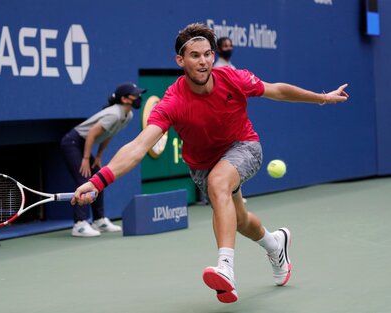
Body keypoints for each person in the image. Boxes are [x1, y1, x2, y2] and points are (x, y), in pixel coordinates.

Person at [72, 23, 349, 302]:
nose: (203, 61)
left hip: (244, 146)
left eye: (208, 54)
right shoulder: (172, 102)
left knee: (219, 184)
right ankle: (275, 243)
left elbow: (276, 90)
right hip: (202, 165)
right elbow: (139, 146)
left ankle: (226, 268)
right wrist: (98, 182)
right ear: (180, 60)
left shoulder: (232, 78)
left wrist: (323, 98)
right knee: (239, 220)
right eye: (195, 55)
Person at [61, 82, 146, 237]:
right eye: (135, 94)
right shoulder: (114, 114)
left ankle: (99, 220)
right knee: (83, 178)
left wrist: (98, 156)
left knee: (97, 177)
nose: (139, 97)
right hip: (73, 142)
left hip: (82, 143)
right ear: (125, 99)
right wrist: (86, 158)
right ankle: (79, 224)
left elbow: (108, 134)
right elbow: (92, 133)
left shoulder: (128, 115)